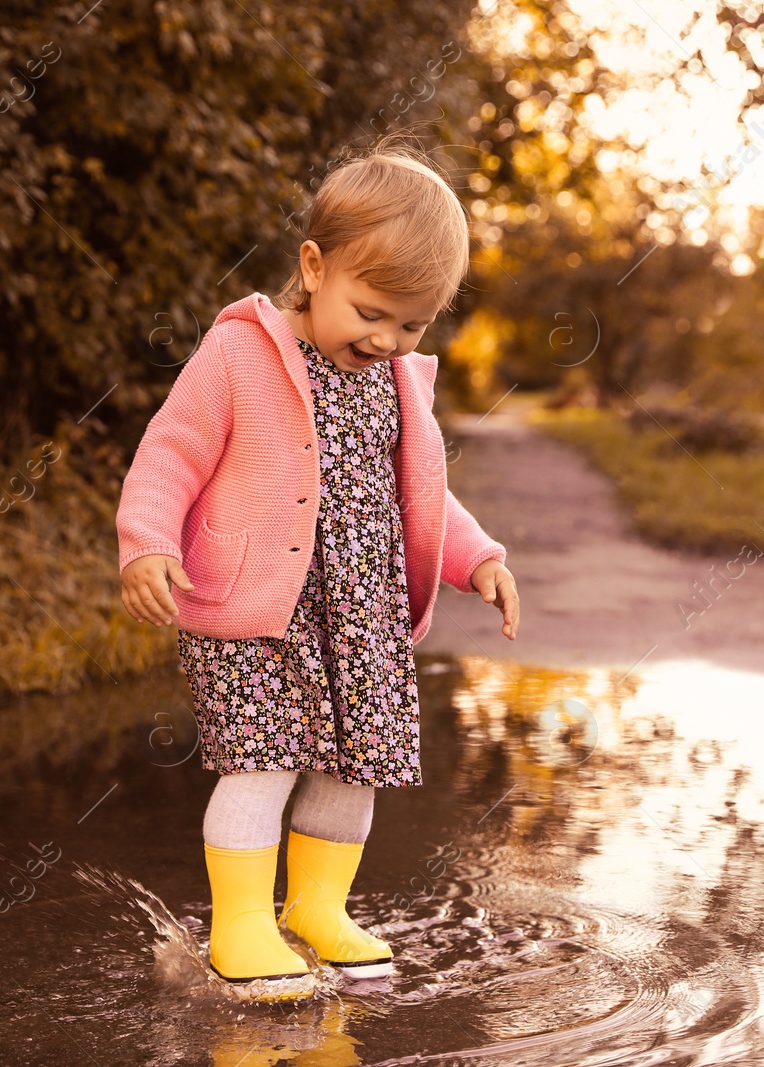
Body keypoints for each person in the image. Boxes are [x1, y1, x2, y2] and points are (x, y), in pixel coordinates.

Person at [115, 144, 520, 1002]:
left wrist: (477, 556)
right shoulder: (240, 355)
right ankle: (242, 924)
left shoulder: (399, 383)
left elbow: (421, 496)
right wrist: (147, 540)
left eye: (412, 325)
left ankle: (317, 909)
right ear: (314, 266)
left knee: (351, 764)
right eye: (371, 312)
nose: (387, 339)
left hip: (363, 616)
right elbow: (171, 454)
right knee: (260, 759)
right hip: (259, 609)